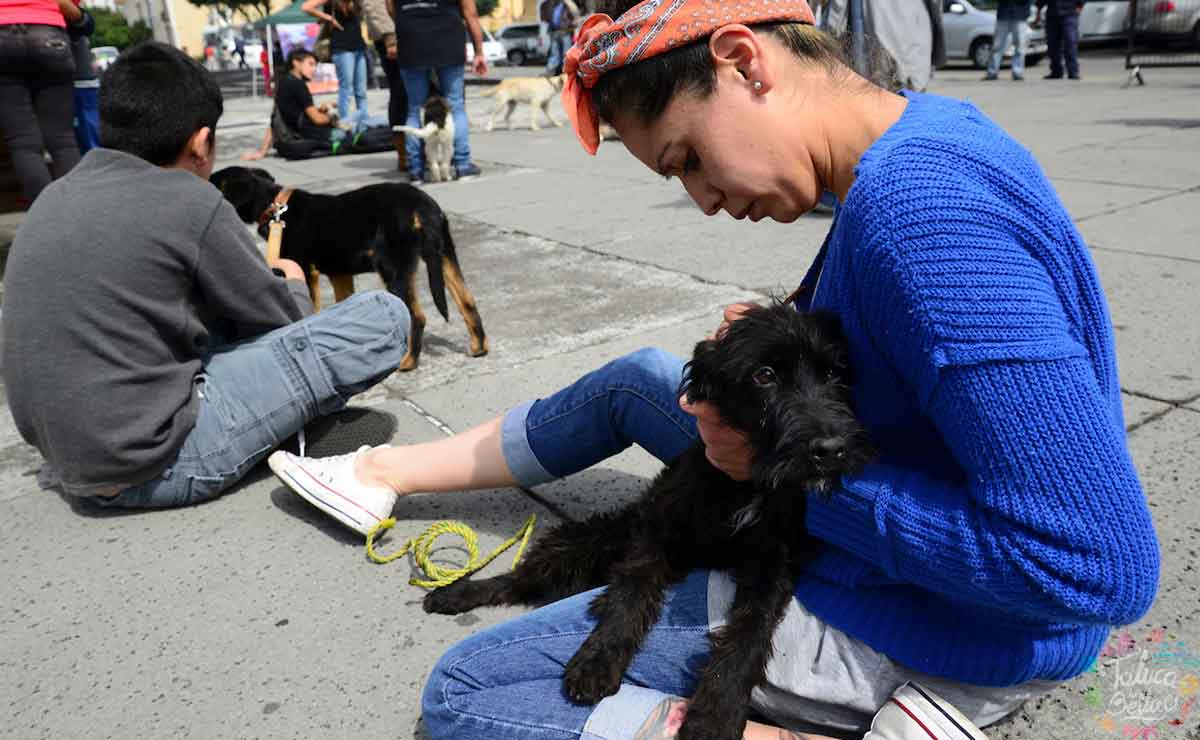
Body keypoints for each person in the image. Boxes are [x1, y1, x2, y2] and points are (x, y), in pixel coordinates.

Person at [271, 0, 1161, 738]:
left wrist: (784, 475)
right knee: (641, 378)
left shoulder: (924, 223)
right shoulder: (919, 133)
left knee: (467, 693)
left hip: (943, 615)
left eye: (689, 158)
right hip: (867, 473)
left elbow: (1096, 571)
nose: (701, 200)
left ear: (744, 61)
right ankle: (380, 470)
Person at [1, 42, 409, 509]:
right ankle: (283, 436)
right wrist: (293, 283)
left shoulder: (52, 197)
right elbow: (285, 329)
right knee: (383, 317)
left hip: (71, 464)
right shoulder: (189, 196)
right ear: (200, 143)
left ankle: (275, 430)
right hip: (160, 461)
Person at [390, 0, 488, 183]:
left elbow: (391, 9)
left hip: (412, 41)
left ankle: (416, 170)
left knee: (414, 108)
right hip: (447, 39)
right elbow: (470, 14)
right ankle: (462, 165)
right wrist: (479, 52)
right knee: (455, 105)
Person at [0, 0, 83, 204]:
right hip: (48, 33)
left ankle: (44, 221)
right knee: (63, 141)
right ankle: (77, 216)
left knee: (24, 143)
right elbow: (71, 7)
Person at [304, 0, 370, 119]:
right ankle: (344, 121)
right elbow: (306, 7)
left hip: (359, 46)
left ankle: (364, 120)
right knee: (347, 88)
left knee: (361, 91)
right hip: (342, 47)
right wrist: (328, 18)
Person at [363, 0, 407, 171]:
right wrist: (390, 36)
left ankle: (416, 151)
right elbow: (372, 5)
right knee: (400, 92)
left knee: (411, 93)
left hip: (410, 28)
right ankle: (405, 155)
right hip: (391, 35)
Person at [1037, 0, 1084, 80]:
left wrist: (1079, 7)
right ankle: (1056, 71)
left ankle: (1073, 72)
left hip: (1069, 14)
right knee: (1052, 45)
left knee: (1070, 43)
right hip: (1052, 15)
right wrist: (1038, 11)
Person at [984, 0, 1031, 81]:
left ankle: (1017, 72)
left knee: (1020, 46)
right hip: (1004, 13)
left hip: (1020, 14)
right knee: (997, 45)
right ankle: (992, 72)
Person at [542, 0, 579, 75]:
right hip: (554, 32)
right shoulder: (551, 5)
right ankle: (552, 70)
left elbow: (575, 18)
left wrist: (569, 25)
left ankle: (567, 71)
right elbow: (547, 17)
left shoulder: (568, 4)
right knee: (554, 53)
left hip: (565, 32)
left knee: (566, 53)